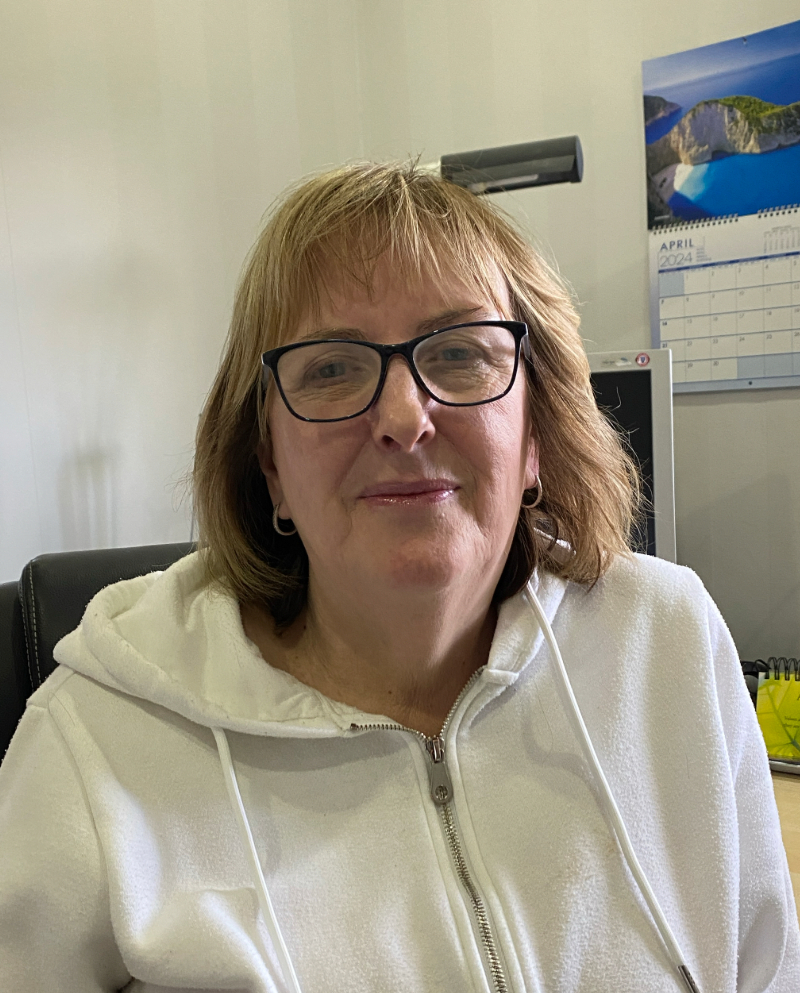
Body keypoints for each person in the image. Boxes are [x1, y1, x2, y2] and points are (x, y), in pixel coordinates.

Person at [0, 161, 797, 993]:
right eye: (333, 368)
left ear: (535, 436)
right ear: (269, 464)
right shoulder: (95, 741)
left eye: (458, 353)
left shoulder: (669, 640)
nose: (403, 417)